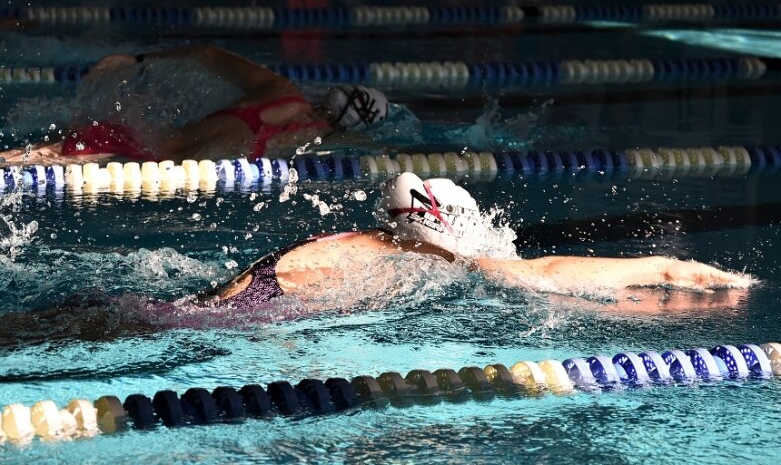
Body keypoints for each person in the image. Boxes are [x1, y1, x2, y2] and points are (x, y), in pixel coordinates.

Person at [209, 172, 752, 308]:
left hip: (248, 296)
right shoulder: (431, 254)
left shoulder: (360, 241)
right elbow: (546, 273)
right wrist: (669, 269)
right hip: (259, 313)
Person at [0, 45, 389, 166]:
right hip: (136, 153)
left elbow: (207, 53)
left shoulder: (280, 92)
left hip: (136, 151)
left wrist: (139, 58)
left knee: (22, 160)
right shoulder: (319, 147)